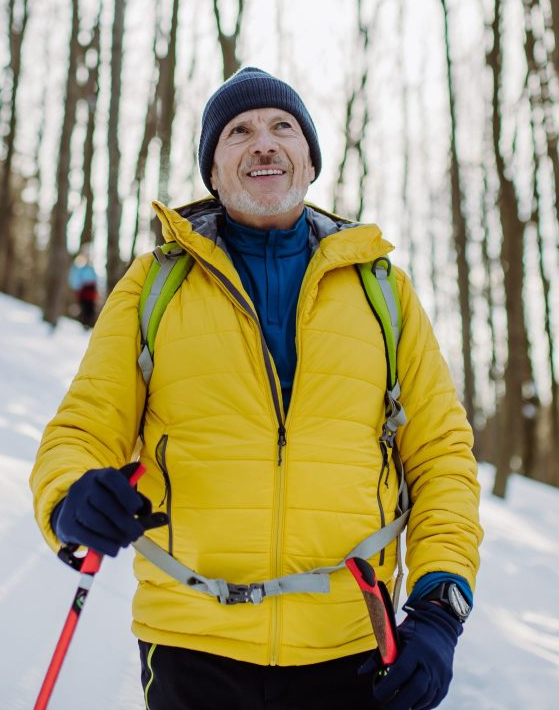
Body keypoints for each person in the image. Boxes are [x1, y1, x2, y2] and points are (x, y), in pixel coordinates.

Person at [31, 68, 481, 710]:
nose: (263, 142)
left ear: (309, 159)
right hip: (192, 646)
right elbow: (83, 429)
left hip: (354, 649)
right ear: (214, 171)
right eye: (239, 131)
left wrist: (441, 605)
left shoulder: (384, 293)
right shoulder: (154, 287)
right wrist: (69, 500)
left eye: (283, 127)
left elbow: (440, 456)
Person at [68, 255, 100, 327]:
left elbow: (94, 282)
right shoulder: (81, 270)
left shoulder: (89, 269)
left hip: (89, 293)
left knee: (89, 309)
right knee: (85, 308)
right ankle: (85, 324)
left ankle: (89, 324)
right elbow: (76, 282)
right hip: (84, 293)